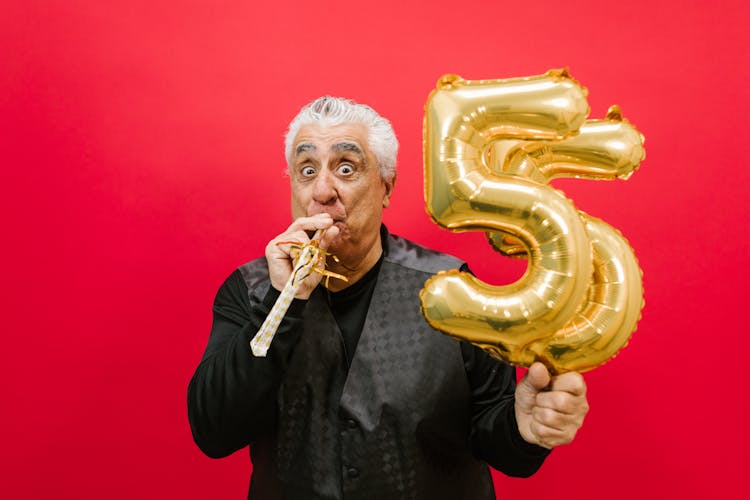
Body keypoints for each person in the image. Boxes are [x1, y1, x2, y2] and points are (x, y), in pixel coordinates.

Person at [187, 97, 589, 500]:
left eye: (346, 168)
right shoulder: (251, 290)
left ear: (386, 187)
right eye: (307, 170)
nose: (323, 190)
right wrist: (282, 300)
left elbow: (498, 442)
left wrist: (523, 427)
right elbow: (213, 432)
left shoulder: (451, 290)